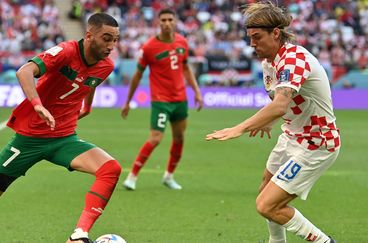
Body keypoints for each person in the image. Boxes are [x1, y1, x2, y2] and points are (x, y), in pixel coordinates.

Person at [0, 13, 121, 243]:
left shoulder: (106, 66)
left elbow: (92, 80)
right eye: (106, 38)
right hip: (29, 138)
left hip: (64, 138)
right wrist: (37, 105)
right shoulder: (66, 52)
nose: (111, 46)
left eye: (115, 40)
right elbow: (24, 71)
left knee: (110, 168)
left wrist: (88, 105)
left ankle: (78, 235)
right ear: (89, 36)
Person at [206, 2, 339, 243]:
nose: (252, 45)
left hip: (316, 143)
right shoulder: (269, 60)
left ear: (275, 33)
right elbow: (281, 102)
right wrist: (268, 121)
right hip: (291, 137)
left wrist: (240, 128)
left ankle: (324, 241)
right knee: (265, 191)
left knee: (267, 205)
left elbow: (280, 104)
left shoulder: (294, 58)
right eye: (249, 38)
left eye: (257, 37)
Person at [121, 9, 203, 191]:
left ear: (175, 22)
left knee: (179, 137)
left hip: (180, 99)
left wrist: (196, 92)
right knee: (156, 138)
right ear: (158, 23)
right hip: (161, 100)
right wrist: (127, 101)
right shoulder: (149, 47)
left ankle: (169, 176)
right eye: (163, 20)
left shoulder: (182, 42)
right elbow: (136, 75)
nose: (167, 23)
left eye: (170, 19)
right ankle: (132, 176)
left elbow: (186, 68)